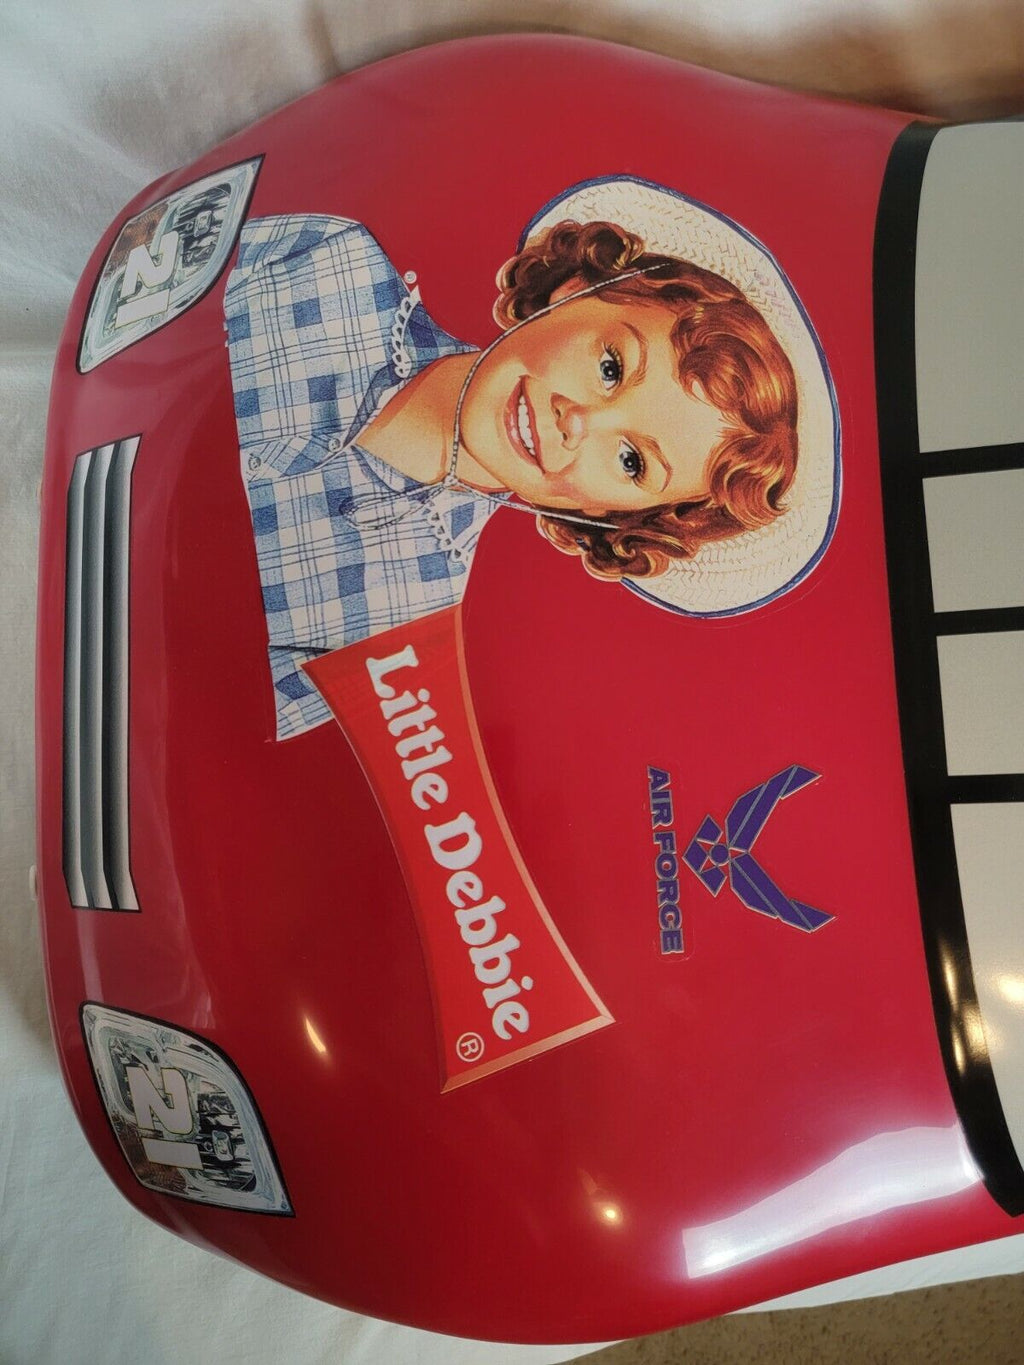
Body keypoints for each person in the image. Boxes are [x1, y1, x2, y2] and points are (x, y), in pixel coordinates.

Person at [223, 210, 798, 739]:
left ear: (611, 516)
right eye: (611, 367)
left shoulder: (409, 628)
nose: (577, 420)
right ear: (575, 291)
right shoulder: (330, 260)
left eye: (632, 462)